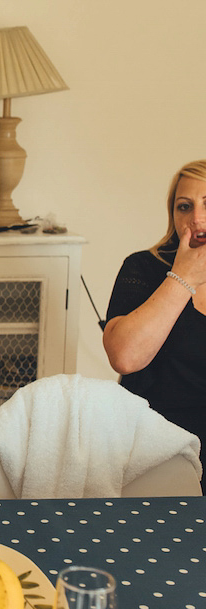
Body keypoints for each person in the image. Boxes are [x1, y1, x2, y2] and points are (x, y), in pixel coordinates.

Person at [103, 159, 206, 490]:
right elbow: (125, 357)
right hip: (155, 448)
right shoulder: (143, 268)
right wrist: (183, 277)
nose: (197, 219)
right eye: (184, 206)